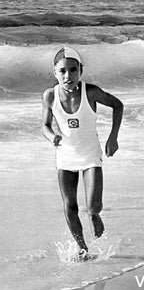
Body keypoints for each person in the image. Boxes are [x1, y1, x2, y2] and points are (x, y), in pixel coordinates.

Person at [42, 46, 123, 260]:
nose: (68, 75)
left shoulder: (91, 92)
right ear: (55, 72)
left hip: (90, 155)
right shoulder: (50, 96)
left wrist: (113, 137)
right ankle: (82, 248)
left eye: (73, 70)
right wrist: (52, 137)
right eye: (63, 71)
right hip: (65, 156)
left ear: (81, 71)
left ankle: (95, 215)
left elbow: (118, 105)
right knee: (70, 206)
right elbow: (45, 125)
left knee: (93, 205)